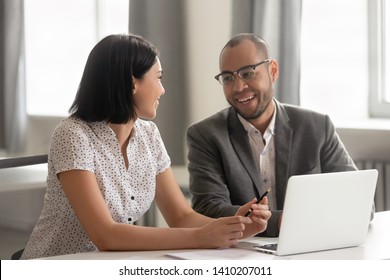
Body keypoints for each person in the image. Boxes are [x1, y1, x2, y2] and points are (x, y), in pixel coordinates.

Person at [21, 34, 271, 259]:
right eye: (158, 78)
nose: (162, 90)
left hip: (110, 265)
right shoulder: (73, 135)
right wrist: (202, 236)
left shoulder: (149, 134)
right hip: (55, 265)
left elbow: (180, 217)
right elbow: (106, 235)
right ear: (132, 84)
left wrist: (237, 227)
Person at [186, 33, 362, 238]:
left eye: (248, 73)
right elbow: (209, 209)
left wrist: (279, 221)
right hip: (244, 254)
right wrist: (281, 221)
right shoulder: (205, 135)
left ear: (273, 71)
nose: (238, 87)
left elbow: (359, 202)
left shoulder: (317, 127)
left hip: (312, 248)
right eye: (228, 78)